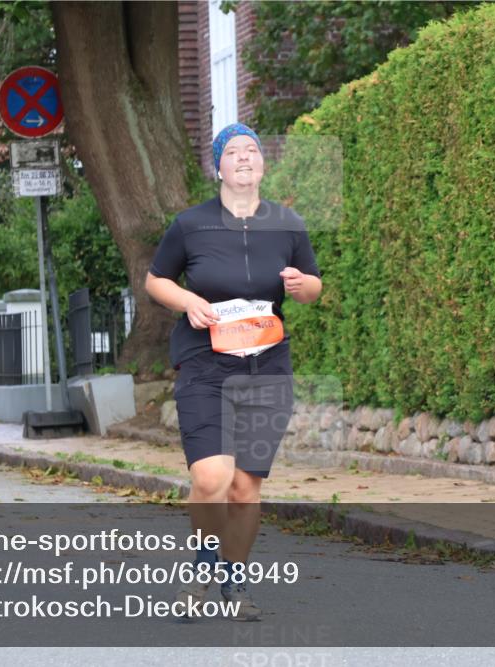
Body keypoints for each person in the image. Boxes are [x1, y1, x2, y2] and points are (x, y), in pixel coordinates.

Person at [145, 122, 323, 621]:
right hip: (206, 363)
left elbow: (313, 287)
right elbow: (156, 279)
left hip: (268, 366)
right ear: (218, 166)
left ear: (263, 165)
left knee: (245, 487)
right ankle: (203, 571)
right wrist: (188, 301)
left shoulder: (288, 224)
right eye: (233, 152)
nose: (244, 157)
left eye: (252, 151)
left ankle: (234, 583)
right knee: (212, 477)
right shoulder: (190, 225)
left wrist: (301, 284)